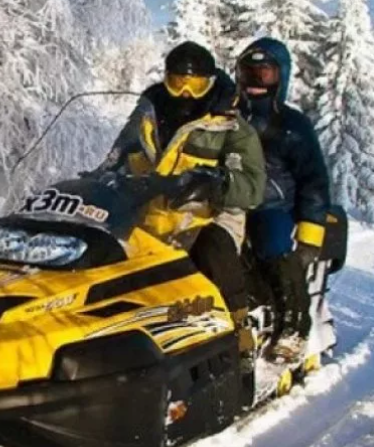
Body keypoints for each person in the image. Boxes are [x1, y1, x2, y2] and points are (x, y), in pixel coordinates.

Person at [101, 41, 267, 365]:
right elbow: (121, 152)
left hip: (207, 215)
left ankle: (239, 330)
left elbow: (253, 184)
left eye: (196, 85)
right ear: (166, 80)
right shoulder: (148, 112)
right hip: (148, 213)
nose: (187, 94)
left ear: (210, 83)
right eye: (178, 84)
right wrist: (105, 176)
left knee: (213, 245)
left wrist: (216, 182)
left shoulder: (230, 124)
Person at [234, 38, 331, 362]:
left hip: (272, 206)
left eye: (265, 74)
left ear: (281, 77)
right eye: (249, 73)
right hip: (227, 201)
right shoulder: (226, 117)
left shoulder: (293, 125)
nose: (256, 82)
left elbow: (314, 181)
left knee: (273, 241)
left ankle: (294, 325)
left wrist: (310, 232)